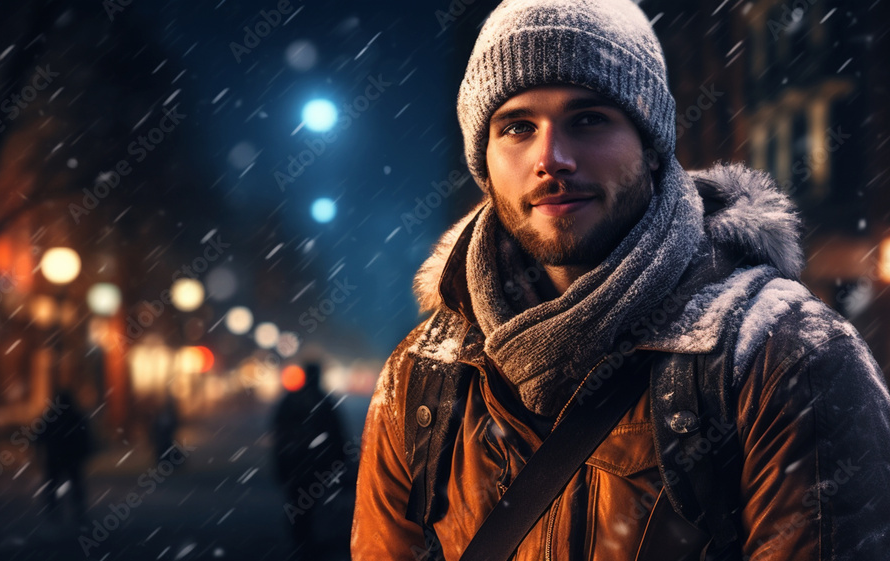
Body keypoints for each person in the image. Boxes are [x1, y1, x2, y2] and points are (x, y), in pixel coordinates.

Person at [351, 0, 890, 559]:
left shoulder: (787, 358)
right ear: (483, 163)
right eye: (517, 127)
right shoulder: (421, 379)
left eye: (588, 119)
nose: (552, 158)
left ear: (653, 148)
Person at [272, 362, 349, 560]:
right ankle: (309, 544)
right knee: (315, 505)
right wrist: (340, 461)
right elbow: (337, 434)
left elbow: (279, 435)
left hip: (295, 465)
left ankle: (301, 544)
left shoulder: (291, 401)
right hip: (317, 466)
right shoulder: (324, 402)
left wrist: (280, 465)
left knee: (298, 507)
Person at [39, 390, 92, 524]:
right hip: (70, 456)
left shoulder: (51, 416)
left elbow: (40, 436)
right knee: (75, 485)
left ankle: (55, 513)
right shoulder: (75, 416)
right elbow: (85, 436)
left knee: (54, 486)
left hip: (56, 456)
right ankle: (77, 513)